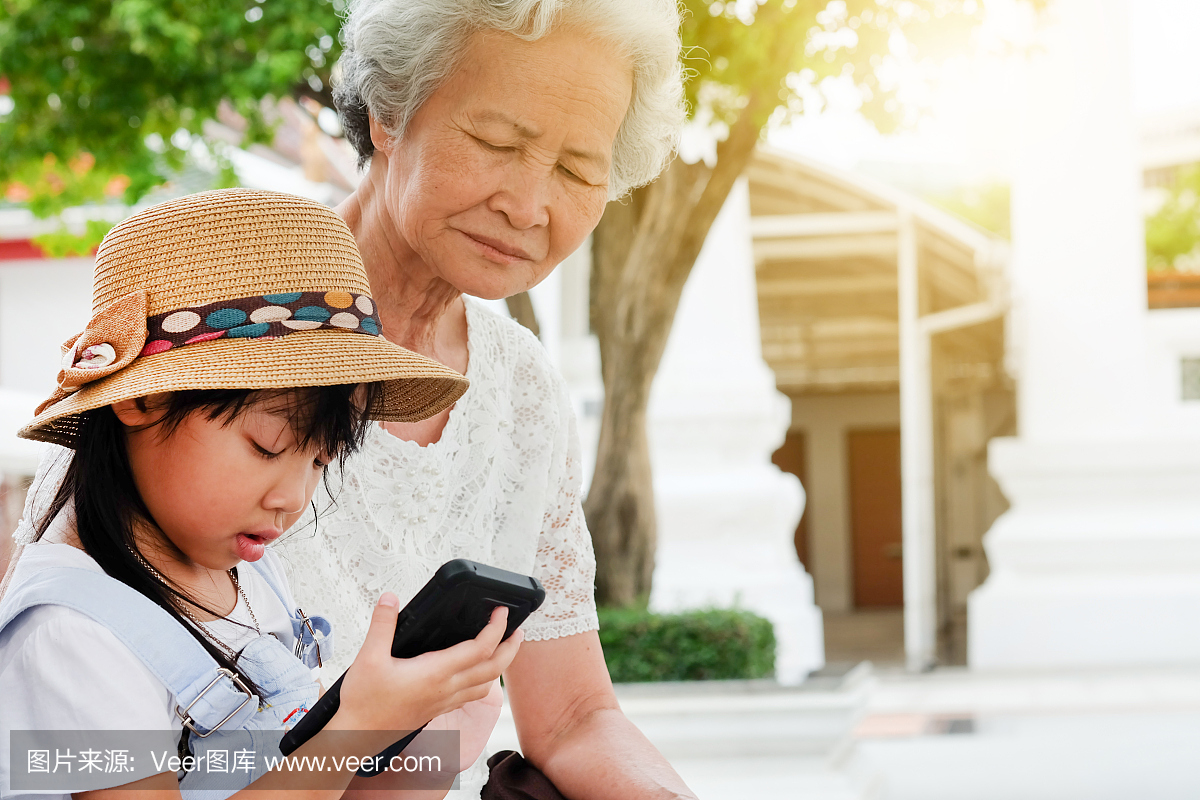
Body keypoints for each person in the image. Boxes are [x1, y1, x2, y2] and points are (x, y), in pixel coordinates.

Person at [278, 1, 696, 797]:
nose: (529, 207)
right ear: (390, 111)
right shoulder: (223, 326)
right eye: (498, 143)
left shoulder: (522, 390)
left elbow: (572, 716)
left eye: (577, 172)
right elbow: (66, 734)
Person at [0, 189, 521, 800]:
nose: (292, 497)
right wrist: (351, 730)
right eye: (268, 448)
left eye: (320, 461)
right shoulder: (68, 636)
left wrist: (434, 734)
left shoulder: (248, 573)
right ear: (142, 401)